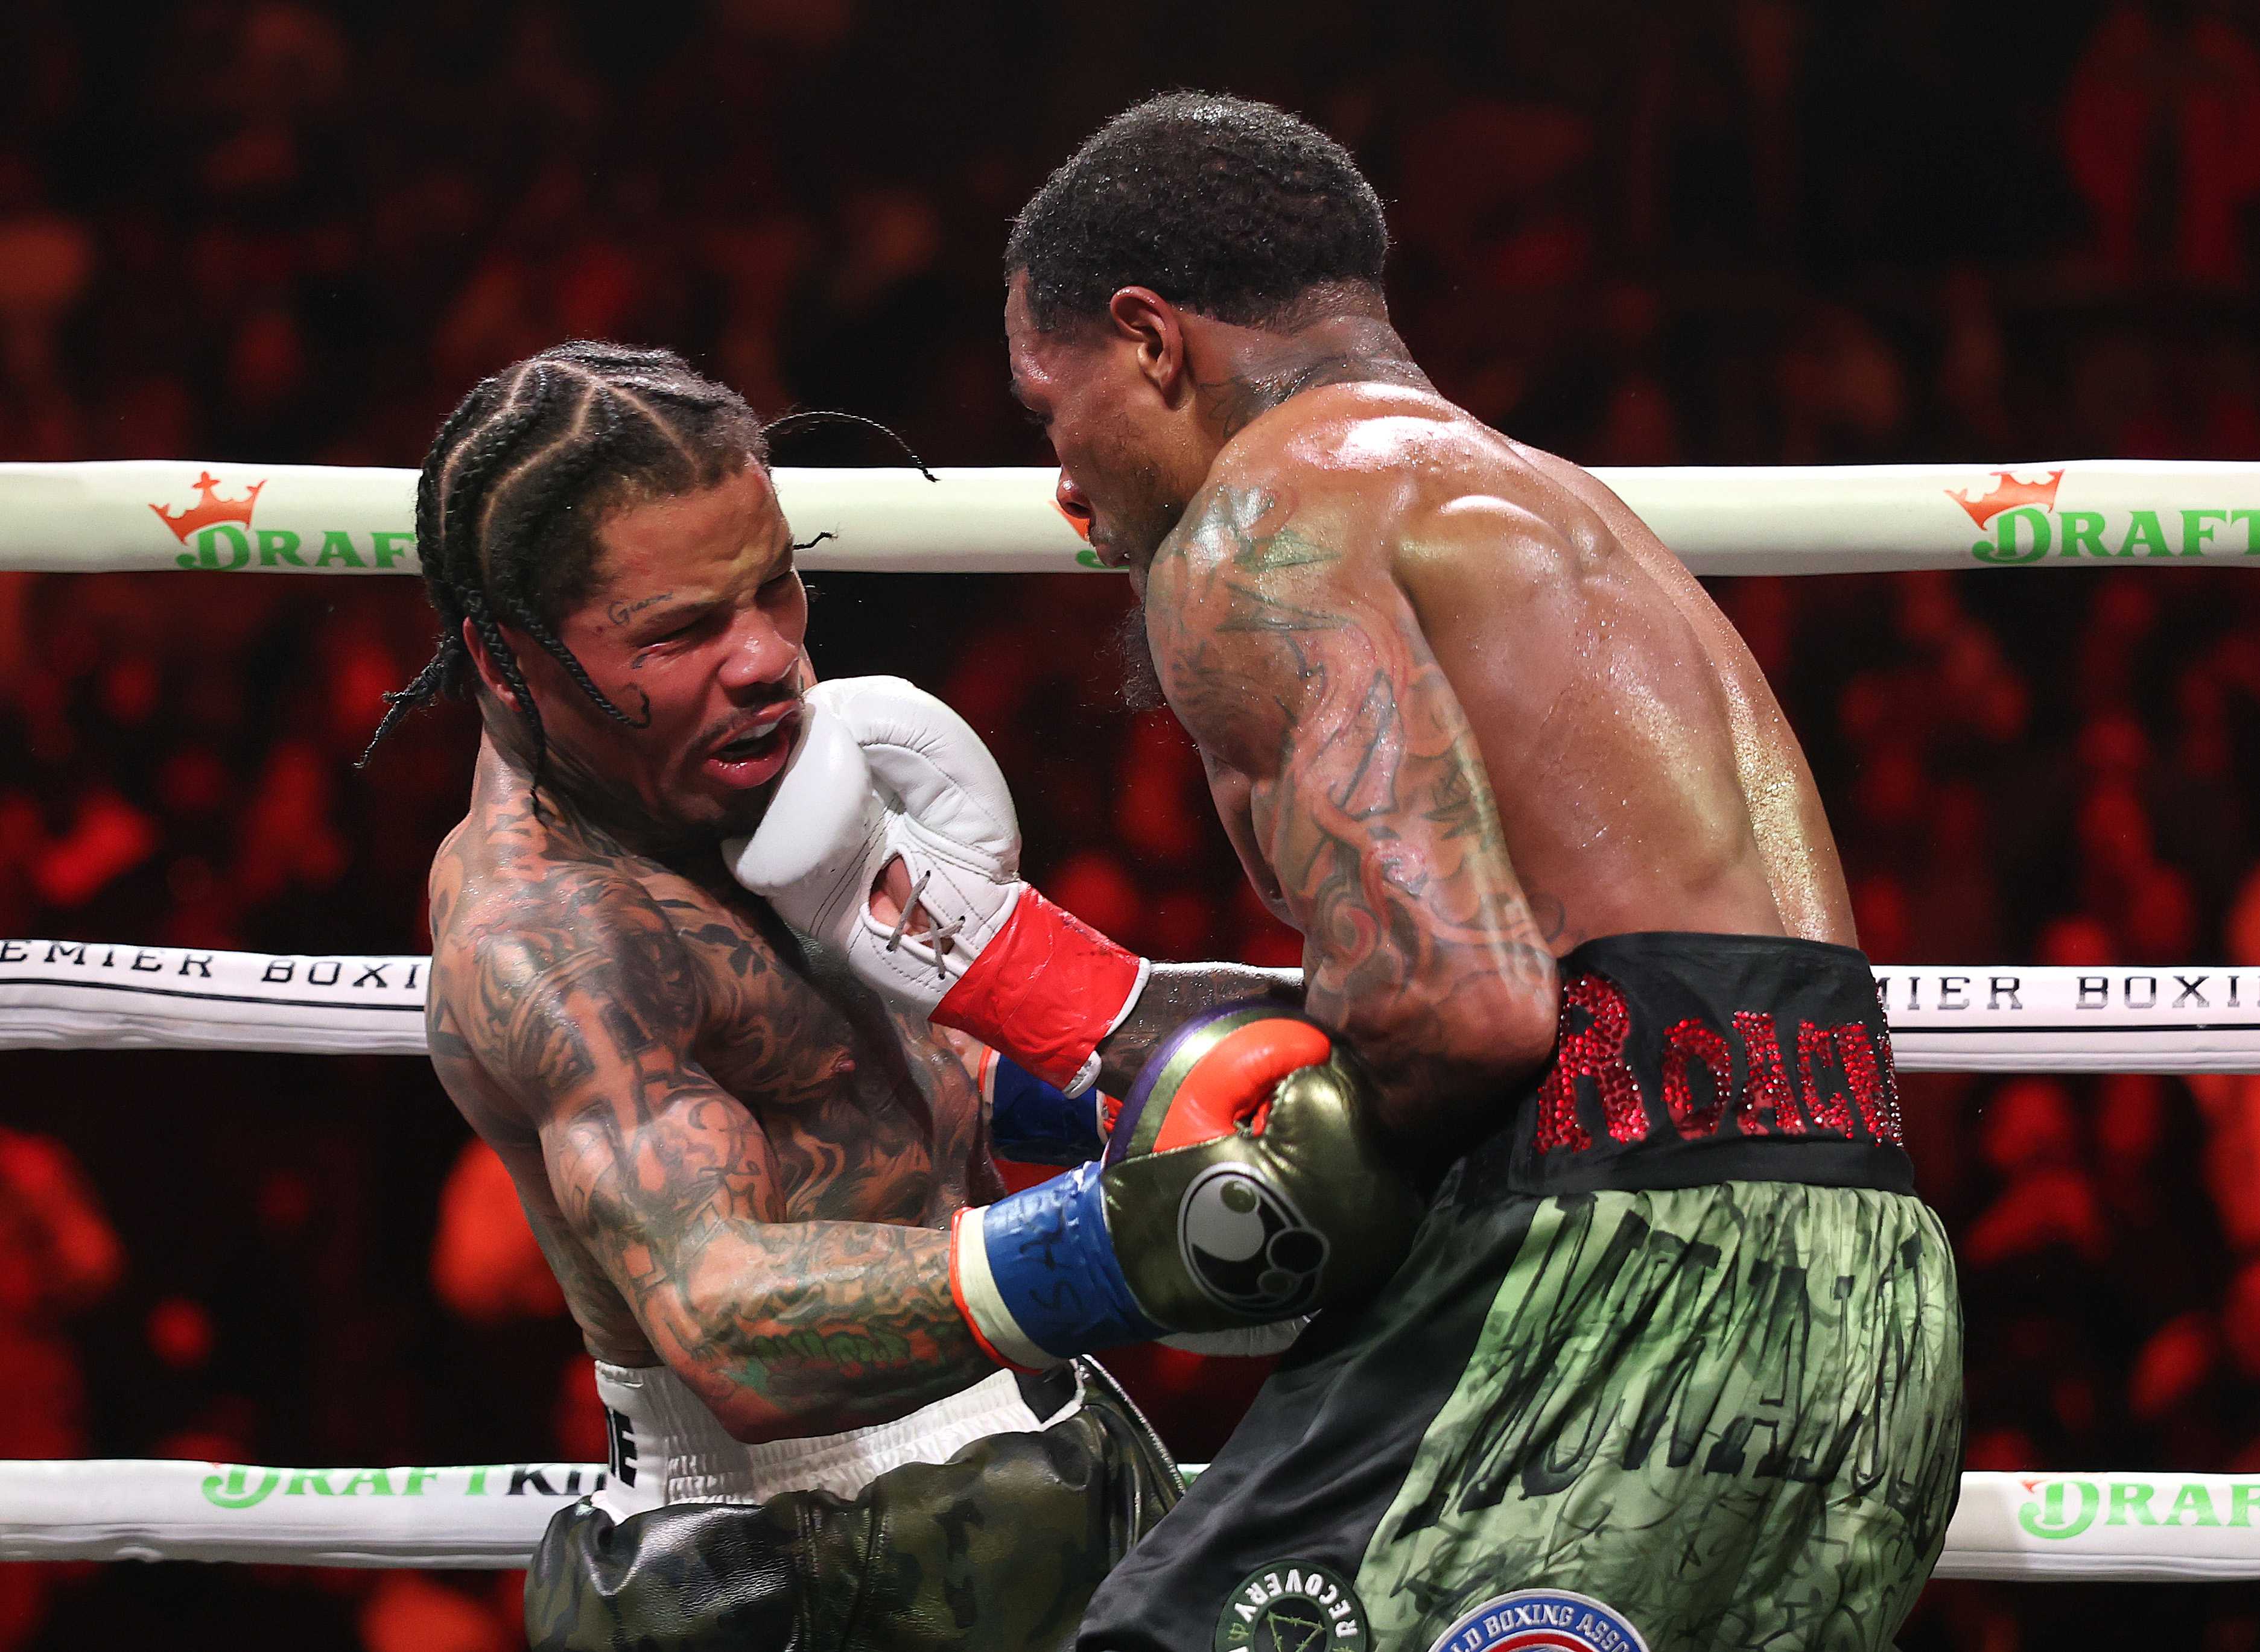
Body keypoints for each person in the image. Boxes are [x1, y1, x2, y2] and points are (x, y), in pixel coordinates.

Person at [742, 95, 1964, 1652]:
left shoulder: (1266, 523)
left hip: (1613, 1284)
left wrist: (1185, 1210)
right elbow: (1582, 978)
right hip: (1863, 1299)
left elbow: (1458, 1013)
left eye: (1055, 412)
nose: (1066, 485)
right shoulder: (1547, 499)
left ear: (1151, 342)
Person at [365, 341, 1416, 1652]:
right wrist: (1124, 1243)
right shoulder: (553, 931)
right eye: (683, 629)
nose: (765, 660)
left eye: (776, 587)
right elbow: (730, 1320)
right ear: (505, 657)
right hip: (800, 1557)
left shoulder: (764, 775)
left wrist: (1119, 1076)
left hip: (1034, 1465)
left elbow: (869, 1100)